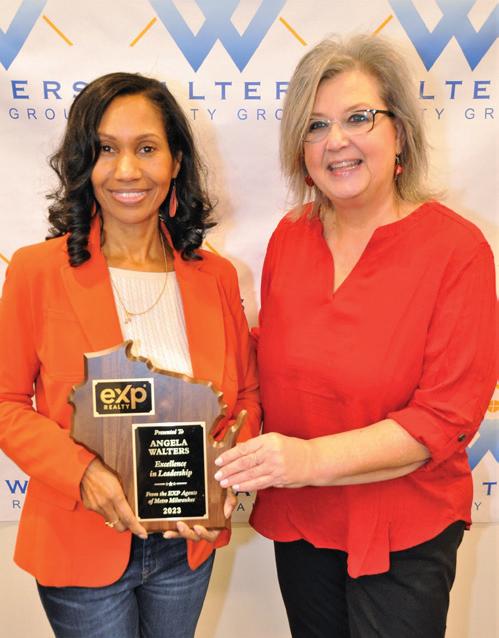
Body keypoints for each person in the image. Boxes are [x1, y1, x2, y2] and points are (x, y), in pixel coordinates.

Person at [214, 35, 496, 638]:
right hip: (303, 518)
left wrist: (308, 459)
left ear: (400, 133)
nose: (335, 140)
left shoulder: (458, 250)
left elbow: (443, 419)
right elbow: (270, 362)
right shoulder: (290, 236)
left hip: (404, 527)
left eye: (358, 117)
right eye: (315, 125)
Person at [0, 72, 260, 638]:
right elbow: (6, 404)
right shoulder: (36, 271)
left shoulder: (215, 276)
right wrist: (83, 473)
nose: (126, 170)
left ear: (176, 162)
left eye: (146, 148)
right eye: (105, 149)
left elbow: (247, 396)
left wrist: (226, 475)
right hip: (80, 542)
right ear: (83, 163)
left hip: (186, 547)